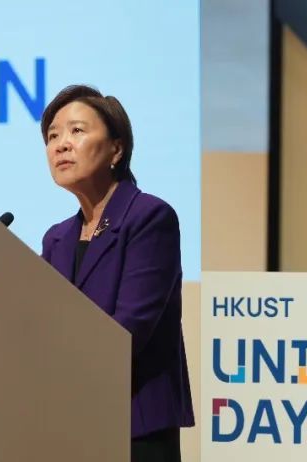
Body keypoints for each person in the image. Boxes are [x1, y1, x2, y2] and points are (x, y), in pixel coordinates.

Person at [39, 84, 194, 461]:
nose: (61, 145)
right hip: (69, 422)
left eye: (76, 131)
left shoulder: (149, 218)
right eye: (53, 136)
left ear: (116, 149)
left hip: (135, 424)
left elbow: (130, 328)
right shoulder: (57, 238)